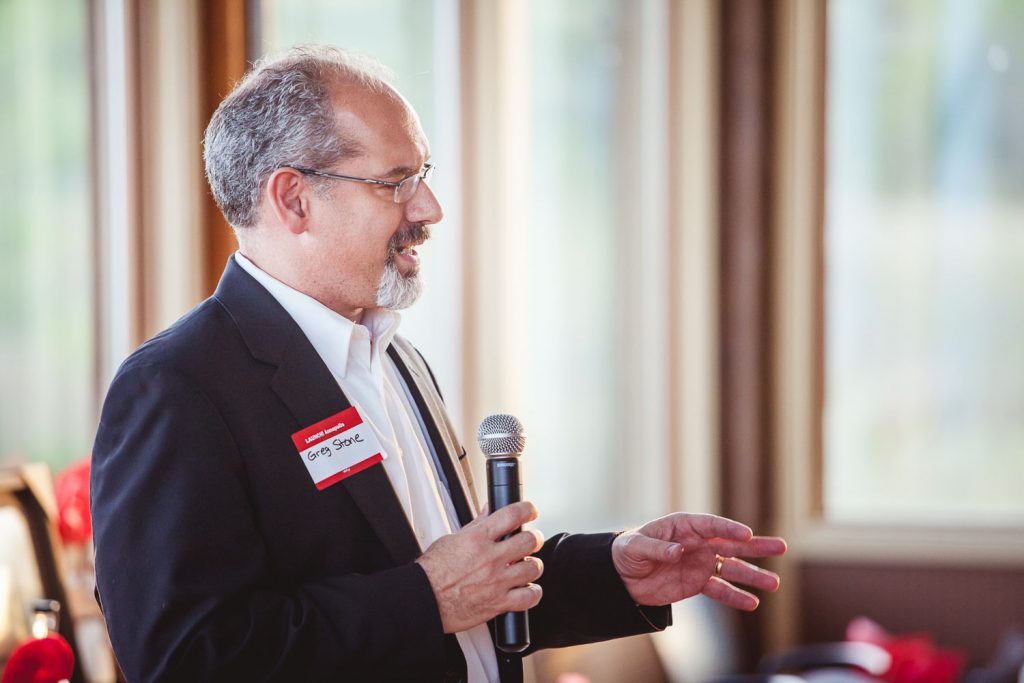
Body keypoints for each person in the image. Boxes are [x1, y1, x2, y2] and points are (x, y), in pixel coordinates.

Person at [90, 45, 786, 683]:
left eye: (421, 175)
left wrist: (618, 572)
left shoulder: (397, 357)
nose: (430, 208)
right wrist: (426, 595)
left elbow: (468, 592)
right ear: (293, 199)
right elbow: (187, 658)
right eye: (395, 182)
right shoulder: (177, 387)